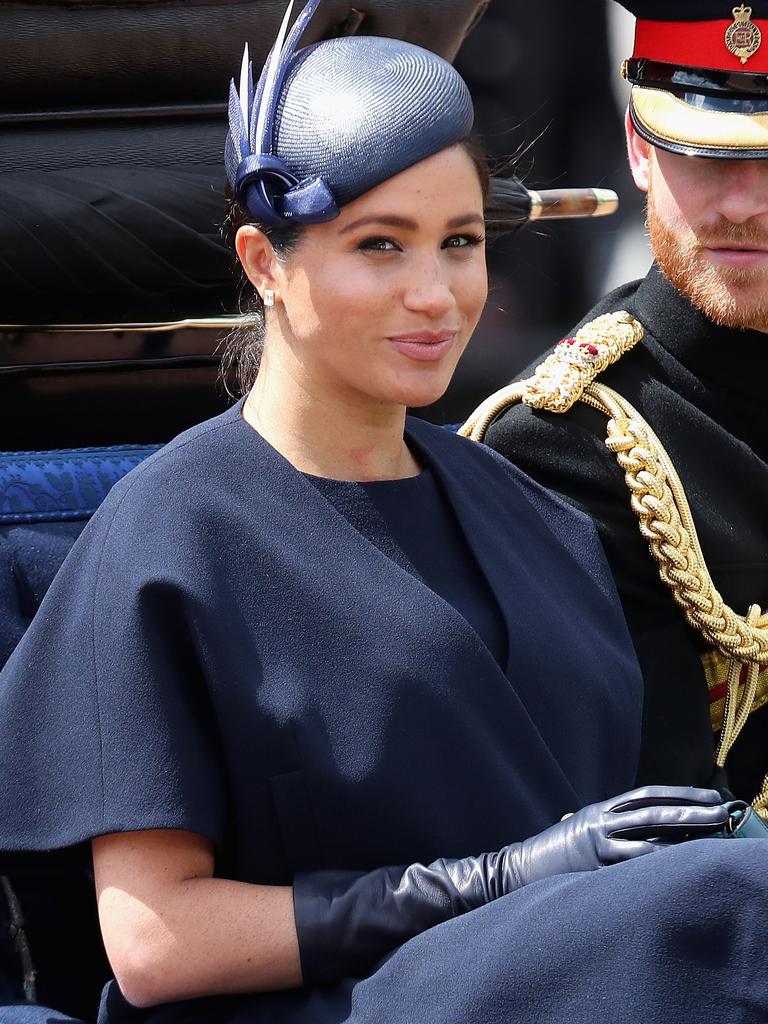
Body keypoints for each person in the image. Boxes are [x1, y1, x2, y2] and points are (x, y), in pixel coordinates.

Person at [0, 2, 764, 1023]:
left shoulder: (527, 512)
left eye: (458, 242)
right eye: (379, 246)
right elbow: (153, 942)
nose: (435, 294)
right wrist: (485, 883)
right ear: (265, 262)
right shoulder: (171, 530)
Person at [470, 0, 768, 815]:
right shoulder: (563, 442)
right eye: (701, 155)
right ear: (639, 148)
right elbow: (668, 840)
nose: (741, 202)